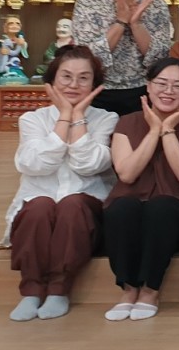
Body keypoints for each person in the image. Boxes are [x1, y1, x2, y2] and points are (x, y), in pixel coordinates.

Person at [7, 46, 115, 321]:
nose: (74, 85)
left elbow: (88, 164)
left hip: (85, 207)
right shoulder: (32, 119)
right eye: (66, 77)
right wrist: (64, 116)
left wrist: (77, 118)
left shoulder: (107, 119)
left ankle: (58, 289)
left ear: (95, 84)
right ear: (52, 81)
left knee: (72, 204)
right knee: (40, 206)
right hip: (38, 204)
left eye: (83, 78)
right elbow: (35, 164)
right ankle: (31, 291)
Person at [102, 57, 179, 321]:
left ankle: (150, 291)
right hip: (131, 210)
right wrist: (153, 131)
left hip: (176, 214)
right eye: (161, 83)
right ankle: (128, 291)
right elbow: (127, 173)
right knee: (122, 207)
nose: (168, 91)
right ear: (148, 87)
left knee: (161, 206)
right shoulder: (126, 123)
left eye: (178, 86)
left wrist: (168, 130)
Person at [71, 0, 172, 115]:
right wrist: (120, 21)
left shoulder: (157, 5)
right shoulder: (88, 3)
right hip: (98, 90)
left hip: (144, 90)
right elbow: (86, 57)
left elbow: (160, 58)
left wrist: (136, 24)